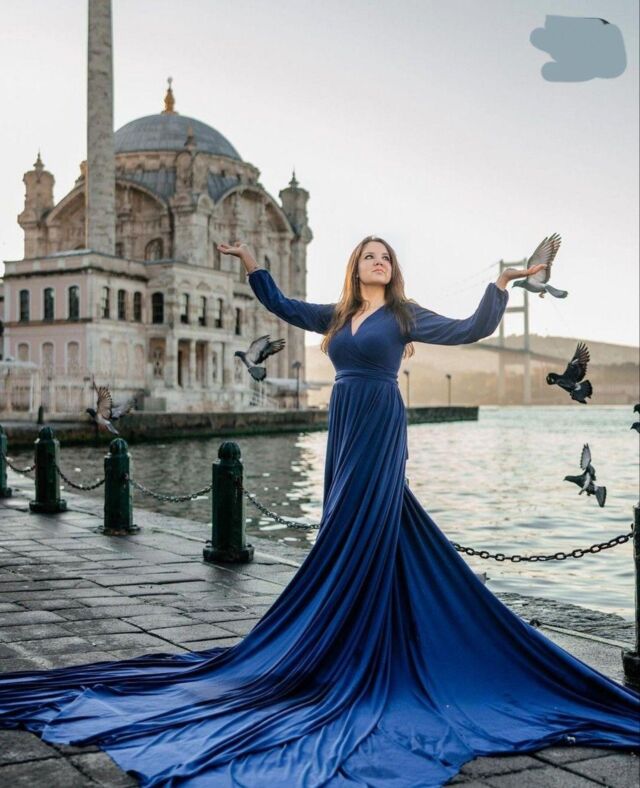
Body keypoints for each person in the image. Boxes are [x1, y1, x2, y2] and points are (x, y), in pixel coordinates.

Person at [1, 235, 638, 787]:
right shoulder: (335, 315)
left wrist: (504, 282)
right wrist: (251, 262)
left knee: (365, 523)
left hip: (380, 421)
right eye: (369, 255)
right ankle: (363, 627)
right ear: (355, 265)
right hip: (344, 421)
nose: (378, 262)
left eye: (386, 257)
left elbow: (472, 330)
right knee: (358, 524)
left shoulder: (407, 316)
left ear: (393, 269)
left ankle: (362, 637)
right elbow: (281, 306)